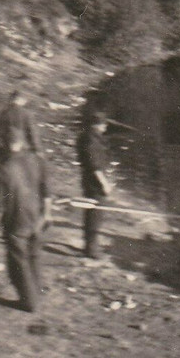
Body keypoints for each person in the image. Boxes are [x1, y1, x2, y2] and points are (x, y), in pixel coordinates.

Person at [0, 136, 50, 312]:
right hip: (36, 217)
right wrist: (47, 214)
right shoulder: (37, 161)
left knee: (19, 261)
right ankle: (37, 292)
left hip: (17, 220)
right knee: (34, 256)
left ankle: (29, 302)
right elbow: (46, 190)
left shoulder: (2, 170)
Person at [76, 111, 113, 259]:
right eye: (103, 124)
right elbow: (94, 165)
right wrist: (104, 184)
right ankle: (91, 249)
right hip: (94, 183)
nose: (105, 127)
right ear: (97, 125)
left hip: (88, 179)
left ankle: (89, 244)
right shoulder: (91, 140)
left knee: (91, 211)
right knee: (95, 214)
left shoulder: (85, 136)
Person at [0, 90, 40, 162]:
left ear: (11, 99)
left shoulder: (2, 113)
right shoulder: (27, 114)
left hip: (5, 148)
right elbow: (32, 133)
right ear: (21, 100)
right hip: (22, 149)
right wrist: (37, 148)